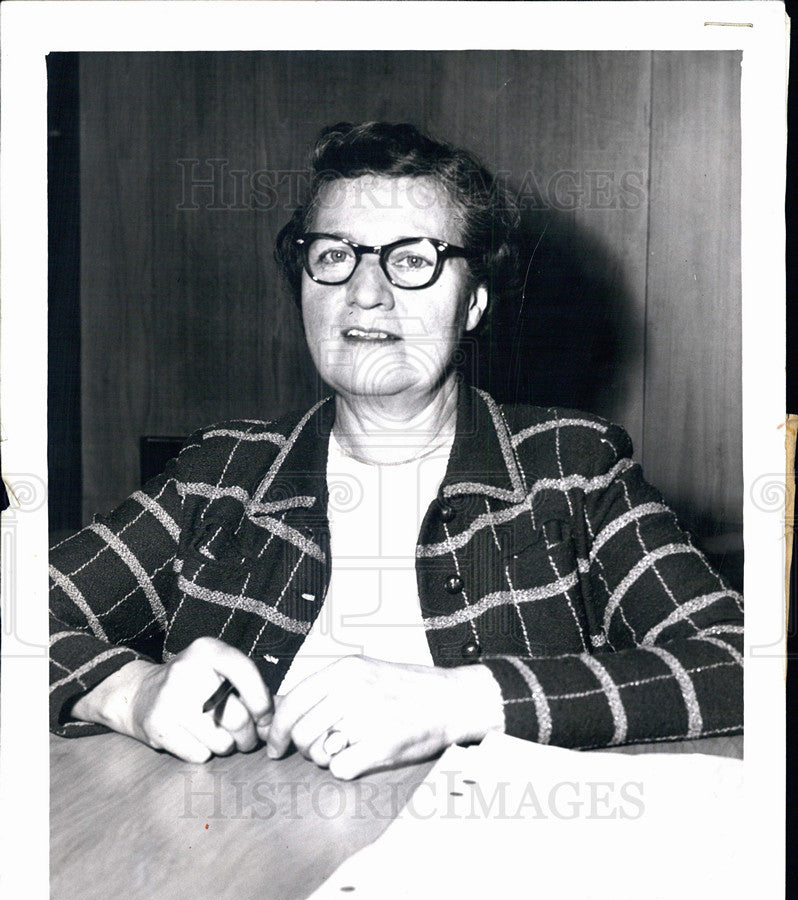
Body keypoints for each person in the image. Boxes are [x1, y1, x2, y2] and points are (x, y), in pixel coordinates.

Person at [49, 121, 743, 780]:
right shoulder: (220, 474)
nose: (366, 293)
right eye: (334, 256)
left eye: (414, 259)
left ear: (474, 303)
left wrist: (457, 703)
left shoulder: (574, 469)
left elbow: (738, 665)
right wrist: (131, 693)